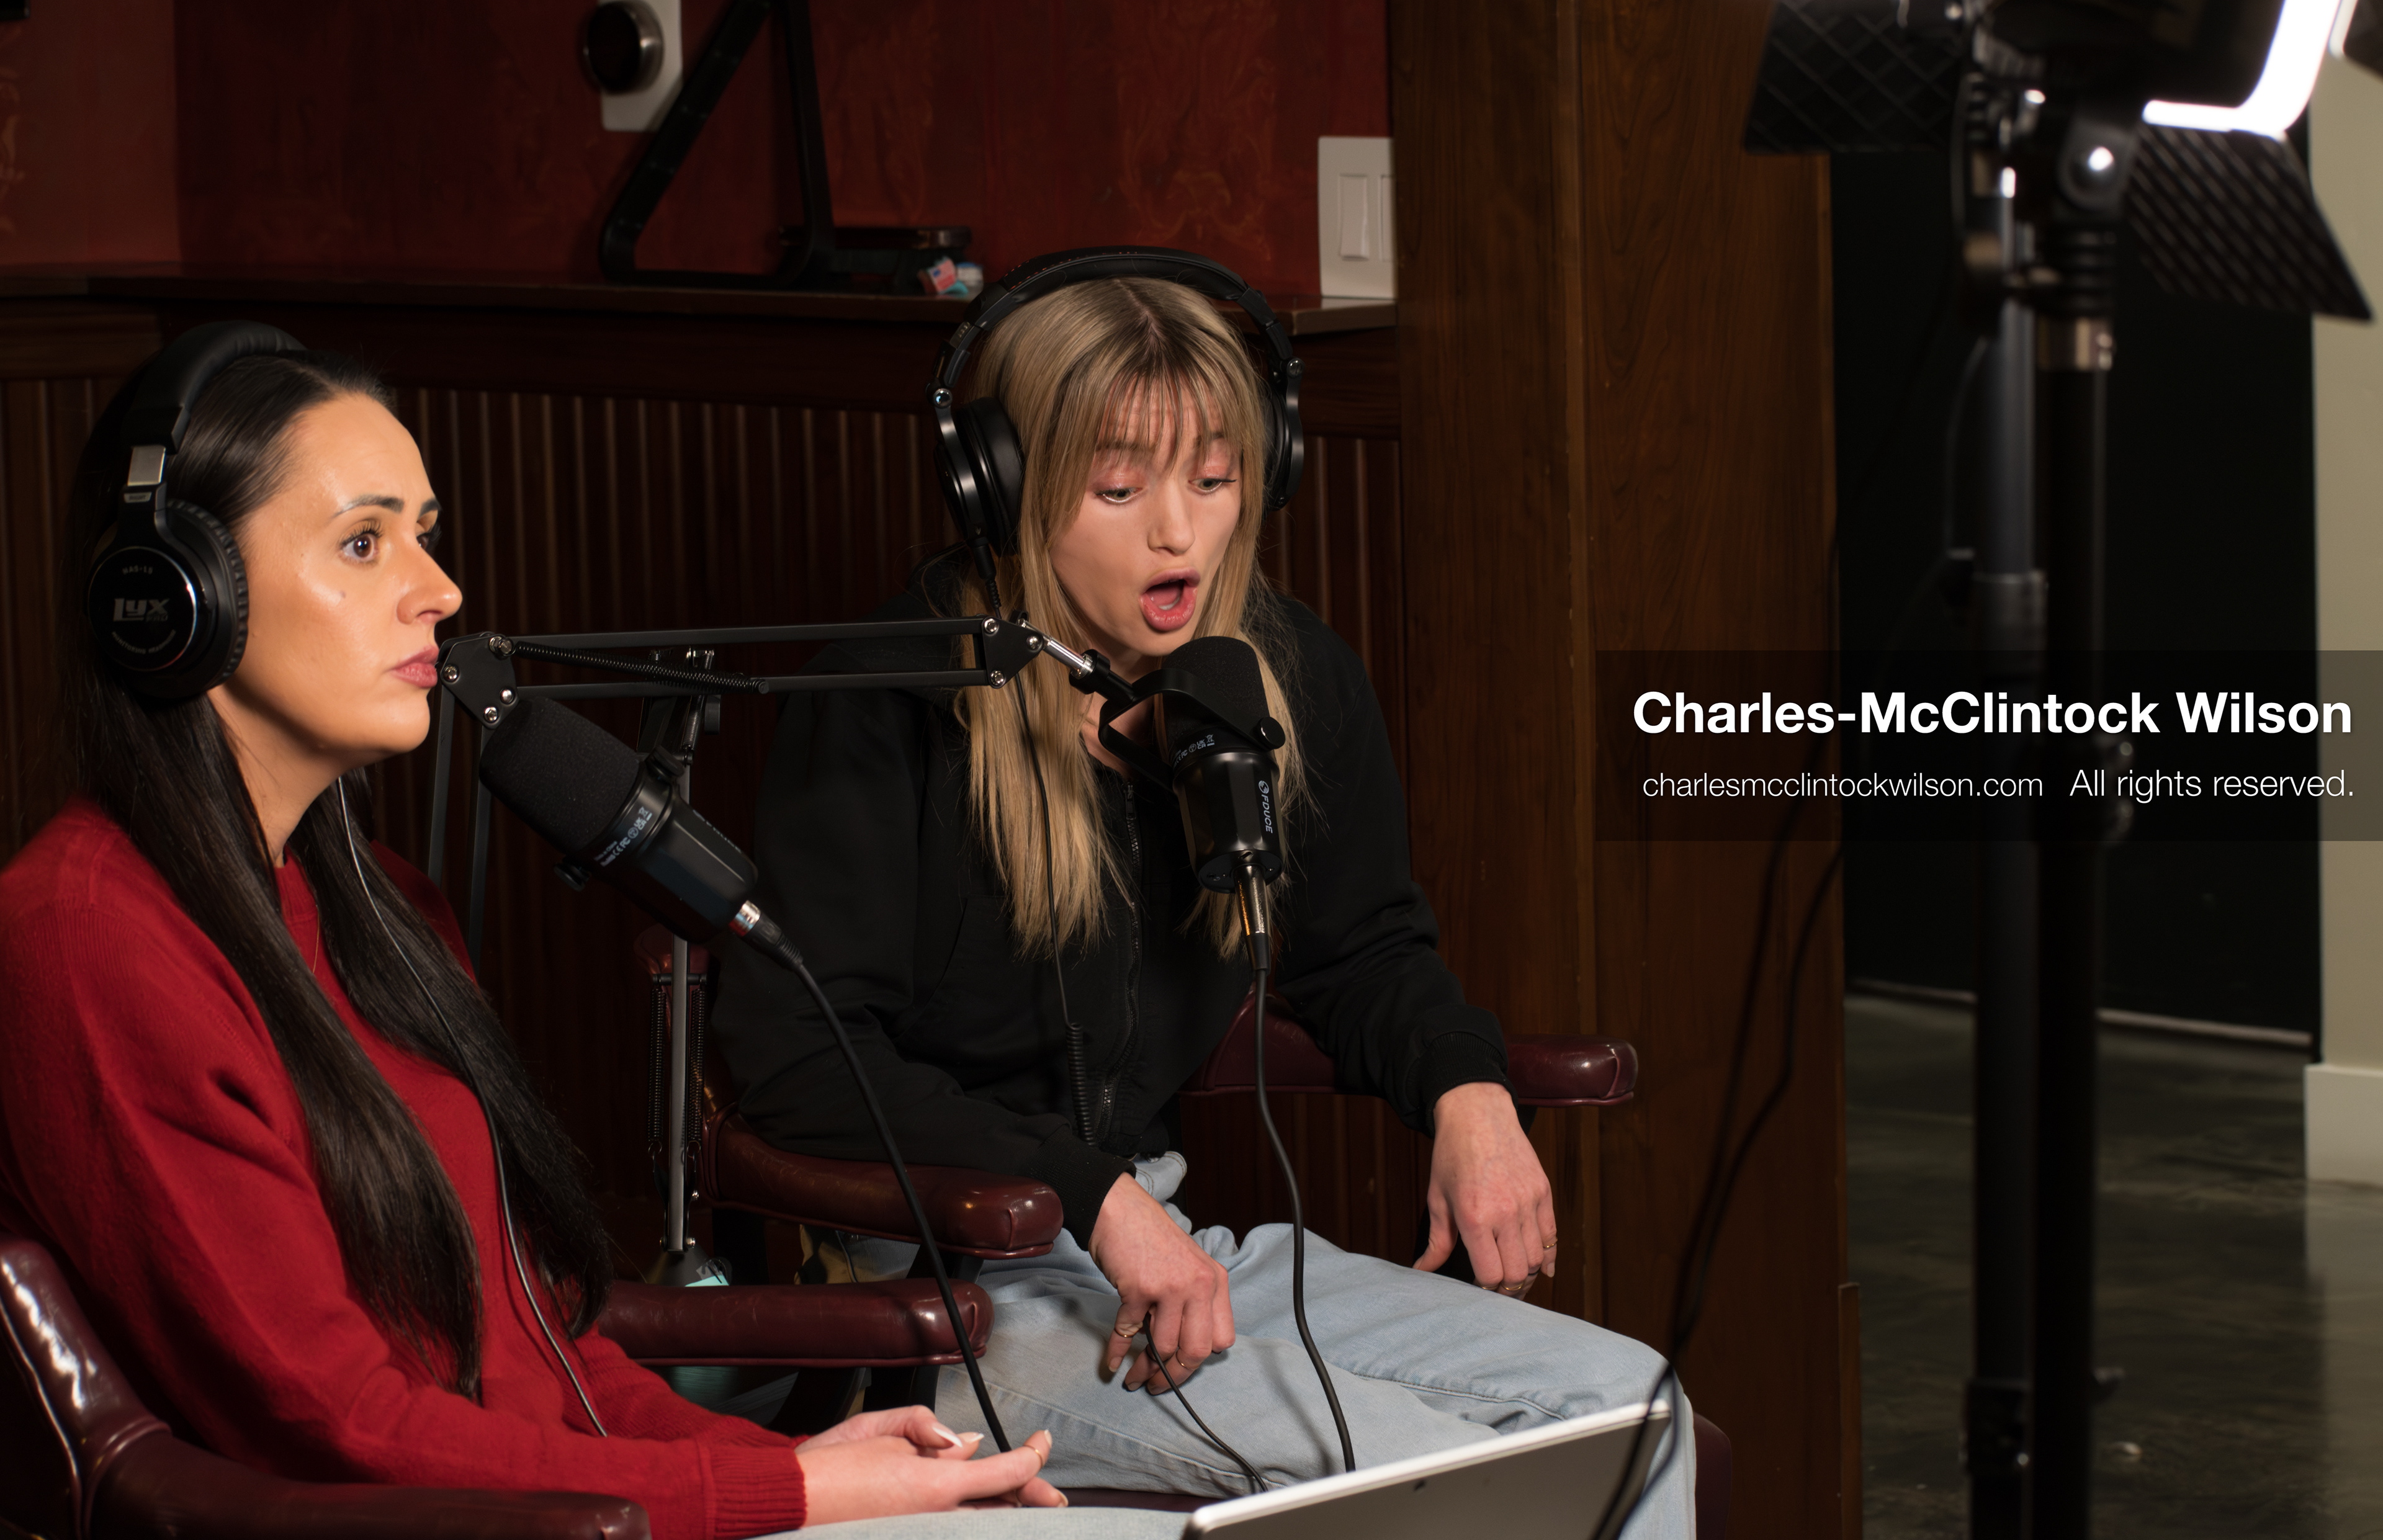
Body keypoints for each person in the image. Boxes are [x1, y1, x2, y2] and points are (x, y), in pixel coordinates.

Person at [0, 339, 1184, 1540]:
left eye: (425, 529)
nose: (442, 589)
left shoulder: (381, 904)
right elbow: (336, 1423)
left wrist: (786, 1460)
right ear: (175, 600)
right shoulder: (89, 939)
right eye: (366, 543)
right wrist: (798, 1491)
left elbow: (539, 1350)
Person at [711, 266, 1696, 1533]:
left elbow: (1364, 950)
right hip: (956, 1285)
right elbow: (799, 1049)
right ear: (1002, 487)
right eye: (1119, 490)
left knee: (1638, 1411)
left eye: (1215, 480)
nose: (1178, 533)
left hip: (1171, 1245)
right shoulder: (891, 700)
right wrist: (1089, 1191)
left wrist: (1469, 1089)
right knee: (1435, 1480)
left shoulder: (1277, 677)